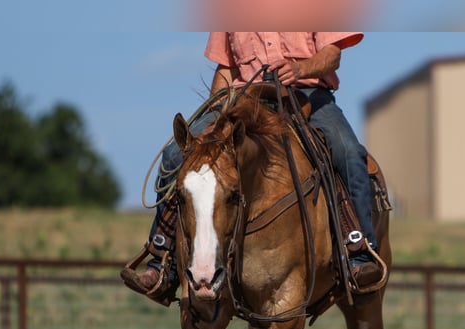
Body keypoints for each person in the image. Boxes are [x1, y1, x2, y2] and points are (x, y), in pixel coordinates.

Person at [122, 32, 381, 304]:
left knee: (348, 151)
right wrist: (216, 114)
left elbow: (332, 55)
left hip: (308, 94)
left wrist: (299, 68)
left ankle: (358, 251)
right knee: (176, 154)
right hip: (243, 98)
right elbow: (226, 67)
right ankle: (162, 260)